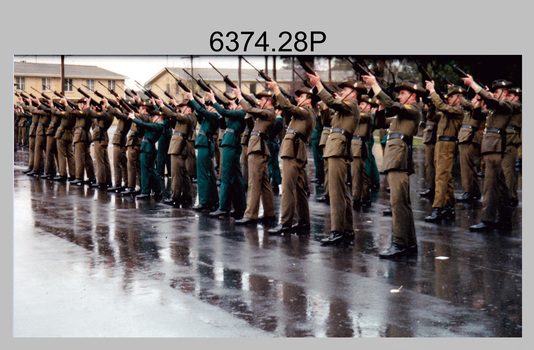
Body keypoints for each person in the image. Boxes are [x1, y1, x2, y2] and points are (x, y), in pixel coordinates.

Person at [363, 75, 424, 259]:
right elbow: (381, 123)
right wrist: (381, 109)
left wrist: (375, 86)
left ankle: (399, 243)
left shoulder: (413, 110)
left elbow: (394, 105)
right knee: (402, 202)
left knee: (398, 203)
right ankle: (410, 242)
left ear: (412, 96)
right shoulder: (401, 116)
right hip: (395, 158)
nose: (399, 97)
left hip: (399, 159)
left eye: (402, 93)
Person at [307, 71, 365, 245]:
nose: (341, 93)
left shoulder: (352, 105)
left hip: (337, 150)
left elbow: (335, 103)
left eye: (345, 90)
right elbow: (326, 121)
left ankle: (337, 230)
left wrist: (319, 85)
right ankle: (346, 229)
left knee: (336, 191)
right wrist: (324, 105)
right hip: (335, 149)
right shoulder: (343, 110)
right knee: (342, 192)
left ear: (353, 94)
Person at [463, 77, 514, 231]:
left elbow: (493, 102)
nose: (494, 94)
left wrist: (474, 85)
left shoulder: (506, 106)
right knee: (500, 184)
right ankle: (505, 218)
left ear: (505, 93)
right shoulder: (494, 109)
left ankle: (488, 219)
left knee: (490, 185)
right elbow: (478, 116)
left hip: (494, 147)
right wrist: (479, 101)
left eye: (497, 92)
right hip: (491, 147)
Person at [265, 83, 315, 235]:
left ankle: (285, 223)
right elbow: (286, 113)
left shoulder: (306, 111)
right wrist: (280, 98)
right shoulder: (301, 113)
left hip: (293, 152)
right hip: (295, 151)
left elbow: (289, 108)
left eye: (302, 96)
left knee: (287, 189)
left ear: (309, 100)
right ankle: (303, 221)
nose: (298, 98)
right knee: (299, 189)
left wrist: (276, 90)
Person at [231, 87, 277, 226]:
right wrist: (249, 118)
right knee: (264, 183)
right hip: (258, 147)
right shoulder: (264, 115)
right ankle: (269, 213)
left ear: (269, 101)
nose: (259, 102)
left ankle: (251, 215)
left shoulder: (269, 113)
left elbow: (251, 109)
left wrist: (240, 97)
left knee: (253, 182)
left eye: (262, 100)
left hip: (258, 149)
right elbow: (253, 127)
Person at [424, 84, 465, 222]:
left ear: (459, 98)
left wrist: (433, 91)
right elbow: (431, 116)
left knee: (441, 177)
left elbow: (442, 107)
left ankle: (438, 208)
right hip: (440, 144)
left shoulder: (458, 110)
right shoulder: (446, 112)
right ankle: (448, 205)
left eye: (452, 97)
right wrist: (430, 104)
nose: (448, 99)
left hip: (448, 144)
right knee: (444, 176)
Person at [206, 91, 247, 219]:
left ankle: (224, 207)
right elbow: (223, 124)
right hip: (230, 142)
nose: (231, 104)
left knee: (226, 176)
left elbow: (226, 113)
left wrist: (214, 101)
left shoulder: (242, 111)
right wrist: (220, 113)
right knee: (236, 177)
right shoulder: (237, 113)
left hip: (231, 143)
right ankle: (240, 207)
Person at [127, 100, 167, 200]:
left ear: (159, 117)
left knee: (146, 170)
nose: (153, 118)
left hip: (148, 148)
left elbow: (147, 126)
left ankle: (146, 191)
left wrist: (134, 119)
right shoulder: (156, 125)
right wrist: (138, 125)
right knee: (151, 170)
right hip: (147, 147)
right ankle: (157, 190)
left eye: (154, 116)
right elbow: (144, 130)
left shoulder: (159, 125)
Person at [159, 99, 196, 207]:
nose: (181, 109)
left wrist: (162, 106)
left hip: (178, 147)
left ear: (189, 108)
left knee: (176, 174)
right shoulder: (186, 118)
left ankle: (175, 196)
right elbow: (175, 124)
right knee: (183, 173)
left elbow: (175, 115)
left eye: (183, 107)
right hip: (178, 146)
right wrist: (171, 118)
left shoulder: (189, 117)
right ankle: (186, 195)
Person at [187, 92, 220, 211]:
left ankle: (204, 201)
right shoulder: (209, 117)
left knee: (202, 174)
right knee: (209, 173)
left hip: (205, 144)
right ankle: (213, 200)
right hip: (204, 144)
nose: (208, 107)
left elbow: (202, 112)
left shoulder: (214, 116)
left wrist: (192, 99)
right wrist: (199, 104)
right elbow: (200, 115)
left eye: (210, 105)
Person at [456, 95, 483, 203]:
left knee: (467, 166)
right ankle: (474, 190)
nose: (472, 100)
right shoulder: (468, 110)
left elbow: (470, 105)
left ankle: (468, 191)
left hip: (470, 138)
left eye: (476, 99)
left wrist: (459, 96)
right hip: (464, 137)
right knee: (468, 165)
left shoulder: (478, 110)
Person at [65, 97, 96, 186]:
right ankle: (91, 177)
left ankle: (79, 177)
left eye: (81, 104)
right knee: (87, 158)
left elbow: (74, 112)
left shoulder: (86, 112)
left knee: (79, 158)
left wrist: (66, 105)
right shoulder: (87, 112)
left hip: (81, 136)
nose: (80, 106)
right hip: (84, 136)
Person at [351, 95, 373, 209]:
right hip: (358, 146)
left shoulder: (367, 116)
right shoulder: (361, 115)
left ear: (369, 106)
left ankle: (356, 199)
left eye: (363, 104)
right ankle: (365, 196)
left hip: (358, 147)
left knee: (356, 175)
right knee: (363, 174)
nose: (360, 106)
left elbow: (357, 116)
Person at [503, 87, 522, 207]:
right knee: (505, 170)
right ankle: (512, 195)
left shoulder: (518, 105)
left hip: (511, 140)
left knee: (507, 171)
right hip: (505, 139)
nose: (507, 98)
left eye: (509, 96)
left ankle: (509, 197)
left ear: (516, 97)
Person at [90, 98, 114, 189]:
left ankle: (101, 181)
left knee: (99, 160)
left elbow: (92, 115)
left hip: (100, 138)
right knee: (105, 161)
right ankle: (107, 180)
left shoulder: (106, 114)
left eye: (104, 105)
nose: (102, 106)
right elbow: (95, 124)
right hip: (102, 137)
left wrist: (92, 110)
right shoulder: (107, 114)